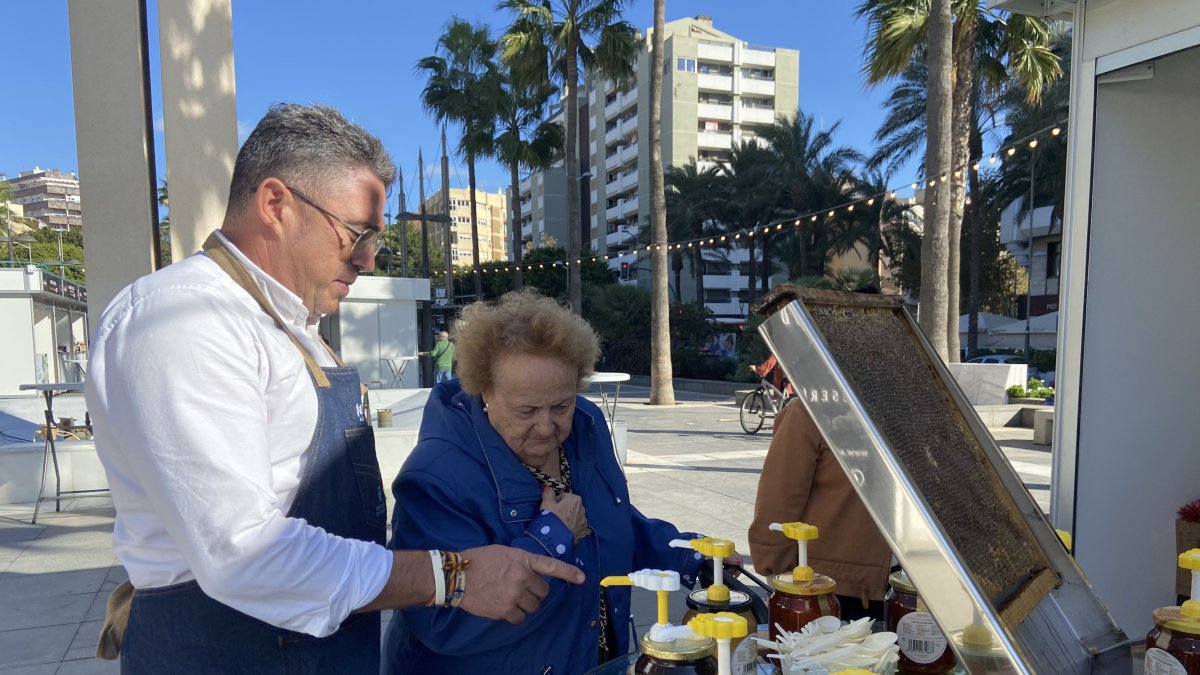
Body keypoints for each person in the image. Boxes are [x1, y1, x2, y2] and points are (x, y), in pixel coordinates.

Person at [86, 104, 582, 673]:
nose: (368, 259)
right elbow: (242, 553)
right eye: (356, 234)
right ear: (276, 204)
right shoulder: (185, 318)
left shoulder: (291, 326)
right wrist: (451, 577)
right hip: (229, 650)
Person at [383, 290, 705, 674]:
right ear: (483, 391)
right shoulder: (437, 476)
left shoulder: (586, 426)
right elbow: (444, 625)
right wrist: (551, 538)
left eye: (561, 405)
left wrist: (687, 555)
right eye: (527, 409)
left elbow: (610, 518)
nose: (546, 426)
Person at [747, 381, 892, 623]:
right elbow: (781, 497)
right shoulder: (811, 413)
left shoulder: (911, 412)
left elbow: (779, 496)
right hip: (829, 586)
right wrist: (775, 570)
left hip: (903, 585)